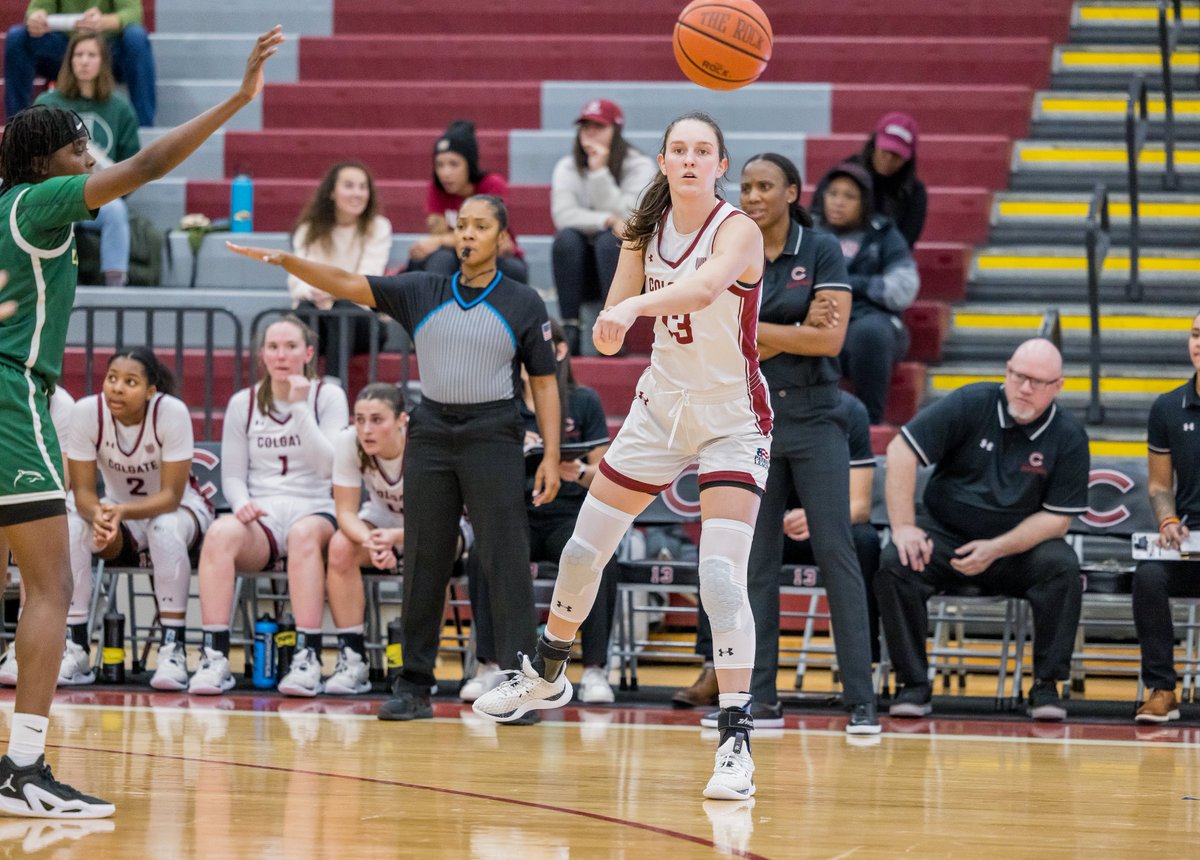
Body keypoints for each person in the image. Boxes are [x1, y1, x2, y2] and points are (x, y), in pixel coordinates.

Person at [0, 24, 281, 817]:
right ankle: (23, 769)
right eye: (80, 142)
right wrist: (235, 98)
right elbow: (148, 165)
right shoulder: (40, 200)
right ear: (46, 157)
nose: (91, 150)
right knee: (49, 586)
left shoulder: (6, 211)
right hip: (12, 399)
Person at [471, 112, 771, 801]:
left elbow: (699, 291)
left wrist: (630, 306)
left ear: (720, 165)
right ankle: (547, 672)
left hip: (732, 417)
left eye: (703, 151)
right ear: (662, 163)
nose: (691, 160)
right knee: (581, 553)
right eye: (680, 150)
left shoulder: (738, 230)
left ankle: (735, 742)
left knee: (721, 578)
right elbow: (608, 338)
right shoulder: (641, 232)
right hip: (659, 412)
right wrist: (615, 315)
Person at [228, 193, 562, 721]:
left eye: (480, 227)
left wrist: (549, 453)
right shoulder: (421, 289)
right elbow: (347, 283)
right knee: (425, 557)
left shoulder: (523, 301)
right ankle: (415, 686)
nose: (468, 234)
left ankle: (524, 687)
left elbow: (543, 381)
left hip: (495, 431)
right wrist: (288, 261)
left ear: (502, 239)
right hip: (430, 430)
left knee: (504, 554)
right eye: (462, 226)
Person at [673, 154, 878, 734]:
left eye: (766, 186)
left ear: (791, 191)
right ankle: (758, 698)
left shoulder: (821, 251)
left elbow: (830, 338)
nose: (754, 195)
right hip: (748, 420)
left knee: (838, 555)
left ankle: (860, 698)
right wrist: (791, 334)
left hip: (816, 420)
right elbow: (712, 334)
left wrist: (755, 334)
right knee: (751, 565)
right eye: (747, 186)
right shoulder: (726, 247)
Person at [875, 339, 1089, 721]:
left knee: (1062, 566)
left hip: (1017, 549)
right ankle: (914, 685)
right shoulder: (972, 402)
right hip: (945, 537)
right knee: (897, 560)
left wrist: (996, 548)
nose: (1025, 388)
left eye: (1038, 382)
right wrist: (904, 527)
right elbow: (900, 451)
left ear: (1058, 386)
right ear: (1007, 370)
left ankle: (1045, 687)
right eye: (1019, 376)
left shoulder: (1069, 436)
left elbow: (1057, 520)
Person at [680, 391, 882, 715]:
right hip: (773, 525)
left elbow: (859, 504)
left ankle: (865, 677)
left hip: (825, 525)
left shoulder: (848, 410)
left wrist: (816, 515)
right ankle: (717, 668)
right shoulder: (748, 406)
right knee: (723, 548)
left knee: (865, 544)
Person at [188, 315, 349, 697]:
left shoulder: (328, 396)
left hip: (316, 506)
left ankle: (307, 657)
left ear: (308, 353)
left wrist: (298, 408)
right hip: (262, 514)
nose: (282, 355)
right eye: (273, 347)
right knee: (219, 534)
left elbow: (331, 465)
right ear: (262, 354)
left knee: (304, 534)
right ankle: (215, 657)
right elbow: (232, 476)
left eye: (291, 347)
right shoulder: (243, 403)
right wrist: (241, 503)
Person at [463, 320, 616, 705]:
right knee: (483, 552)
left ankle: (595, 669)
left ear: (559, 351)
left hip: (567, 514)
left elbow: (605, 475)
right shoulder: (504, 406)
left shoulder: (583, 401)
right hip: (517, 514)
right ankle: (487, 667)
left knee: (597, 557)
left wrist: (577, 470)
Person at [60, 348, 214, 690]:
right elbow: (83, 491)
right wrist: (99, 515)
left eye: (130, 382)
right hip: (119, 511)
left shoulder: (171, 413)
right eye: (112, 378)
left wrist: (119, 512)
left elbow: (170, 497)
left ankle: (173, 648)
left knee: (164, 528)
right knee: (72, 522)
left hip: (179, 510)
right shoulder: (87, 412)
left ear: (150, 391)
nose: (116, 388)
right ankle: (76, 646)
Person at [812, 160, 919, 424]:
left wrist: (859, 284)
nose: (838, 202)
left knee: (869, 334)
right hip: (820, 316)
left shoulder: (883, 233)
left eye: (849, 196)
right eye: (833, 193)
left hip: (870, 320)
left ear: (865, 202)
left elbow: (905, 285)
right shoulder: (807, 231)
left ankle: (870, 422)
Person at [1133, 311, 1200, 723]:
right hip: (1191, 546)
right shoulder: (1167, 408)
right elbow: (1159, 486)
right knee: (1148, 575)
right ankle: (1161, 689)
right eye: (1196, 334)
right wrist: (1168, 521)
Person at [551, 99, 656, 355]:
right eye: (585, 126)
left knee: (610, 241)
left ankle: (615, 329)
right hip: (581, 272)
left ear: (616, 131)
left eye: (599, 126)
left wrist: (599, 174)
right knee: (567, 239)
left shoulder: (640, 167)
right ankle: (571, 330)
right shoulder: (567, 167)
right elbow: (563, 215)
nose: (590, 133)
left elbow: (633, 219)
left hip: (626, 270)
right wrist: (606, 220)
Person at [35, 32, 139, 286]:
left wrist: (108, 189)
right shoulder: (47, 103)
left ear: (102, 61)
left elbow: (133, 165)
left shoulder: (120, 107)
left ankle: (115, 288)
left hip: (98, 193)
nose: (84, 61)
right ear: (69, 61)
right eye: (78, 55)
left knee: (116, 211)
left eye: (91, 55)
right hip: (54, 193)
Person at [288, 161, 393, 380]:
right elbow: (299, 280)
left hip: (362, 322)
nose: (357, 193)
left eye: (363, 187)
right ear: (331, 192)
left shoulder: (379, 227)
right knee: (304, 310)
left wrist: (335, 293)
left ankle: (333, 386)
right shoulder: (308, 229)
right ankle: (300, 385)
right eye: (349, 186)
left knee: (344, 307)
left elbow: (367, 278)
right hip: (319, 315)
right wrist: (323, 295)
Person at [406, 120, 527, 283]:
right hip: (456, 256)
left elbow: (488, 239)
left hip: (498, 258)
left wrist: (440, 240)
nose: (445, 173)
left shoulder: (491, 184)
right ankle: (436, 307)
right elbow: (437, 235)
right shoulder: (437, 188)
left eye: (453, 164)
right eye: (439, 165)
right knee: (428, 259)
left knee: (450, 258)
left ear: (469, 164)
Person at [5, 1, 156, 126]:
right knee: (17, 37)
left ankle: (144, 128)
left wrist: (103, 22)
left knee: (136, 36)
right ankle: (19, 126)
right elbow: (37, 8)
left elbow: (133, 14)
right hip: (66, 51)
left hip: (108, 52)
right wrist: (36, 18)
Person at [810, 112, 927, 249]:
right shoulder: (843, 175)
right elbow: (816, 217)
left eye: (896, 154)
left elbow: (905, 245)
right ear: (874, 144)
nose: (888, 159)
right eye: (884, 150)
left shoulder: (914, 193)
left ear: (908, 158)